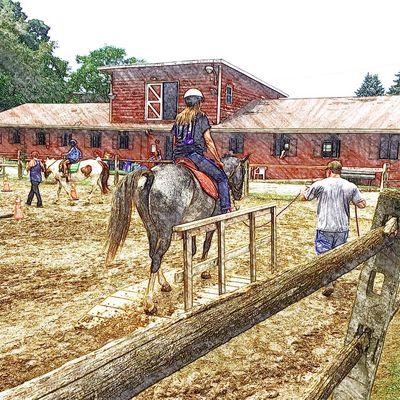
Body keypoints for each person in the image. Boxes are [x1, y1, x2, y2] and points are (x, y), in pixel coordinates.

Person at [300, 160, 366, 296]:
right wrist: (353, 200)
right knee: (338, 255)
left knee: (323, 255)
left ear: (328, 171)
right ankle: (333, 277)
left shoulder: (320, 184)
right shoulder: (350, 186)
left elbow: (304, 198)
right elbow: (362, 204)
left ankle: (327, 281)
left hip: (325, 226)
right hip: (342, 227)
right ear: (340, 171)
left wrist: (303, 190)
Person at [172, 88, 231, 213]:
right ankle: (225, 208)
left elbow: (174, 141)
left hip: (178, 157)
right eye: (201, 102)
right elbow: (208, 141)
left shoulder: (178, 118)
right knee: (222, 178)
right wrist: (218, 161)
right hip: (194, 156)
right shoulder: (201, 117)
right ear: (198, 102)